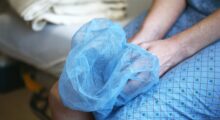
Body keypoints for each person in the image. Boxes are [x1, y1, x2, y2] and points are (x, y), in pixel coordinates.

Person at [49, 0, 220, 119]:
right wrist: (144, 37)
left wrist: (177, 48)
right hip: (181, 11)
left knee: (134, 116)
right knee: (64, 97)